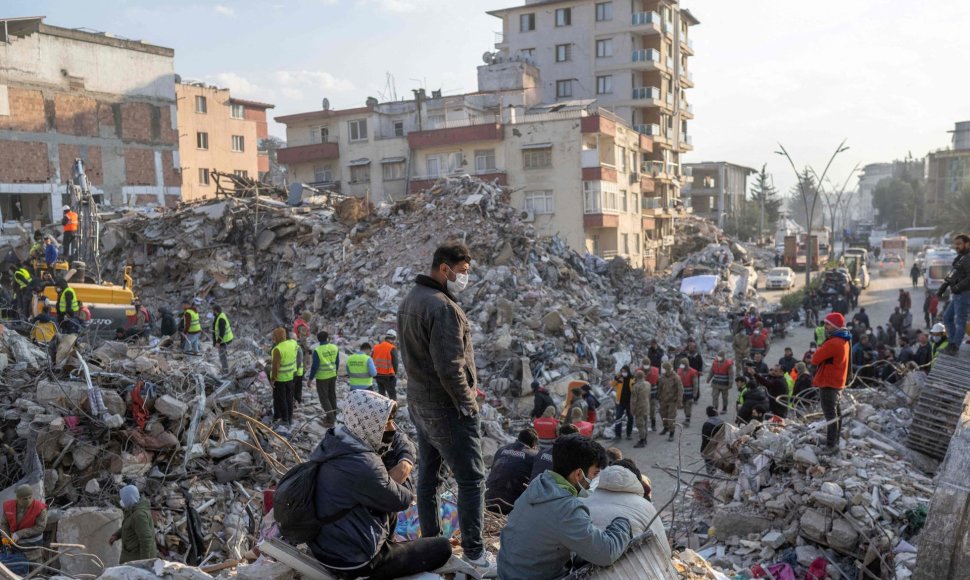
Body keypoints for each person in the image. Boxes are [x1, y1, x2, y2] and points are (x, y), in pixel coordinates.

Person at [396, 243, 493, 574]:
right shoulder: (443, 308)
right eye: (462, 271)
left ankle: (432, 545)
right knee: (472, 478)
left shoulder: (411, 299)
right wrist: (468, 405)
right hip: (446, 407)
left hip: (420, 404)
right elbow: (450, 367)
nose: (465, 278)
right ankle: (475, 551)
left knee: (428, 479)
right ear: (444, 269)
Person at [308, 390, 452, 580]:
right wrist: (403, 467)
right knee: (442, 547)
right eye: (386, 423)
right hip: (354, 563)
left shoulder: (336, 441)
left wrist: (402, 455)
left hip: (326, 549)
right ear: (370, 424)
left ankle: (385, 544)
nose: (392, 427)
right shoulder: (365, 466)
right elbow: (403, 499)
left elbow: (397, 436)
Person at [497, 435, 632, 580]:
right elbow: (607, 553)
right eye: (595, 474)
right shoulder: (566, 508)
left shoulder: (540, 484)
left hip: (507, 573)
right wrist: (622, 523)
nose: (594, 480)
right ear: (579, 474)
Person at [582, 461, 669, 558]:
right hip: (637, 568)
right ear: (637, 481)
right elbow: (664, 551)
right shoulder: (645, 505)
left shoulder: (580, 500)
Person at [811, 312, 852, 455]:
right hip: (837, 381)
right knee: (836, 413)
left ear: (834, 325)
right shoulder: (844, 339)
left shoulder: (834, 342)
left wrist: (821, 345)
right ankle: (834, 440)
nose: (825, 327)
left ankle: (831, 445)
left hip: (829, 381)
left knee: (830, 415)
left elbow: (815, 359)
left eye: (827, 324)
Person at [485, 429, 539, 515]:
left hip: (489, 499)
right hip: (511, 506)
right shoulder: (534, 456)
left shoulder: (501, 450)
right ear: (533, 444)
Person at [108, 485, 157, 564]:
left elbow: (146, 540)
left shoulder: (139, 515)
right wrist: (117, 535)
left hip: (136, 559)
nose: (122, 501)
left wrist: (144, 563)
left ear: (129, 498)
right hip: (131, 556)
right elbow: (130, 525)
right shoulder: (133, 510)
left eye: (123, 498)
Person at [1, 485, 48, 565]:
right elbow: (4, 523)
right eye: (25, 499)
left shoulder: (39, 508)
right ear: (18, 498)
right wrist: (6, 537)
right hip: (14, 547)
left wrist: (20, 533)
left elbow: (40, 527)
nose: (28, 500)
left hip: (33, 548)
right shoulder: (9, 506)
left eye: (30, 497)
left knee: (36, 569)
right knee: (18, 568)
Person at [940, 234, 970, 356]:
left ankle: (955, 346)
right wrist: (942, 289)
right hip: (957, 294)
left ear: (967, 244)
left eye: (959, 244)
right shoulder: (961, 257)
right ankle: (952, 343)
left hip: (964, 293)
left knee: (960, 321)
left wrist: (957, 287)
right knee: (947, 317)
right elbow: (952, 275)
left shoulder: (968, 258)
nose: (956, 246)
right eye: (956, 244)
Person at [309, 331, 340, 426]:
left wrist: (310, 379)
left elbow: (315, 366)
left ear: (318, 339)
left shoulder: (318, 350)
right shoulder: (334, 347)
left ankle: (331, 420)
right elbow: (337, 362)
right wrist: (335, 372)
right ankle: (333, 414)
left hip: (322, 377)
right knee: (332, 396)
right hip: (332, 375)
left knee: (324, 398)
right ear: (327, 338)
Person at [269, 327, 297, 426]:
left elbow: (275, 367)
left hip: (280, 379)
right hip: (291, 376)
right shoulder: (292, 343)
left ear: (276, 337)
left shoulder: (277, 349)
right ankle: (290, 417)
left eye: (274, 336)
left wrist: (273, 379)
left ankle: (284, 419)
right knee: (289, 398)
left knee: (282, 399)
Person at [656, 362, 682, 441]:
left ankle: (671, 432)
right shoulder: (662, 377)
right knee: (663, 415)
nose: (663, 370)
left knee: (671, 417)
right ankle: (666, 427)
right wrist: (658, 397)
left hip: (672, 401)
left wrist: (679, 401)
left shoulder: (676, 377)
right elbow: (659, 388)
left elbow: (680, 390)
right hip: (663, 400)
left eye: (664, 368)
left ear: (667, 369)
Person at [372, 330, 400, 401]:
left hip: (377, 375)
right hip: (388, 376)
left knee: (381, 395)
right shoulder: (392, 348)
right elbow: (395, 363)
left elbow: (371, 360)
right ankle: (393, 410)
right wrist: (394, 374)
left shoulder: (376, 347)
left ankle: (381, 409)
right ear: (394, 338)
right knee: (392, 396)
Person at [611, 366, 634, 441]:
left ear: (628, 371)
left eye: (625, 371)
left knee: (630, 417)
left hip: (629, 402)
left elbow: (634, 388)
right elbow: (613, 384)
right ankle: (618, 435)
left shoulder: (632, 378)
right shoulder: (619, 378)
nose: (623, 373)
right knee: (618, 417)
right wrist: (616, 378)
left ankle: (629, 434)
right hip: (620, 401)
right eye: (622, 371)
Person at [629, 369, 651, 448]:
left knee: (640, 424)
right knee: (645, 423)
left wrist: (632, 410)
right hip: (646, 406)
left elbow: (633, 400)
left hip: (639, 408)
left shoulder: (636, 386)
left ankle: (642, 440)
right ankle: (645, 438)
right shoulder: (648, 384)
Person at [676, 357, 700, 427]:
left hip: (689, 393)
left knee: (688, 407)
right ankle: (687, 418)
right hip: (682, 393)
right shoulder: (679, 371)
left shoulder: (693, 372)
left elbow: (695, 384)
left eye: (683, 364)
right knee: (684, 407)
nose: (682, 365)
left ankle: (687, 420)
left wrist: (694, 395)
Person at [701, 407, 725, 474]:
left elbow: (705, 440)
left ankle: (711, 477)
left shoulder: (707, 424)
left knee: (710, 469)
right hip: (720, 449)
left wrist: (703, 451)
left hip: (709, 450)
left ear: (707, 414)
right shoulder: (722, 423)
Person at [212, 304, 233, 375]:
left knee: (222, 357)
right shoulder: (220, 315)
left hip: (224, 340)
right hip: (224, 339)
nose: (212, 312)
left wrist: (218, 342)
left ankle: (225, 372)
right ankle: (224, 370)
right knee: (222, 356)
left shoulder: (221, 319)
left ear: (215, 311)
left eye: (213, 311)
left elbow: (222, 332)